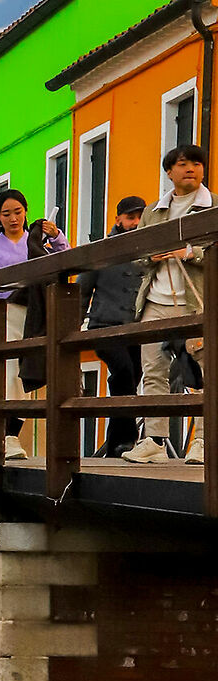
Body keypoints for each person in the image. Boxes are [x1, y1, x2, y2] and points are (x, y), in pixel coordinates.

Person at [123, 144, 212, 466]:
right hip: (155, 300)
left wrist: (190, 253)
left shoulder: (212, 206)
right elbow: (137, 255)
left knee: (204, 372)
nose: (191, 169)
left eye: (196, 164)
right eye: (183, 164)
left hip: (196, 302)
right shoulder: (153, 211)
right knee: (153, 372)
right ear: (169, 171)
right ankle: (154, 441)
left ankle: (202, 441)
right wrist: (151, 256)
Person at [0, 189, 66, 457]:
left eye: (18, 212)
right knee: (11, 373)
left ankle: (12, 434)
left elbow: (64, 259)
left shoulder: (35, 244)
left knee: (29, 371)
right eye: (6, 214)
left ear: (26, 212)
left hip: (34, 312)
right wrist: (0, 293)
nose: (13, 218)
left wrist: (56, 236)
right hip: (6, 313)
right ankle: (9, 436)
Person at [76, 195, 147, 460]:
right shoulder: (101, 250)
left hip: (138, 328)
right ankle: (126, 440)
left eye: (140, 217)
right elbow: (82, 291)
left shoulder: (149, 248)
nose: (136, 223)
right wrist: (74, 331)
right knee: (125, 372)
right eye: (131, 217)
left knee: (131, 376)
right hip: (104, 326)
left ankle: (117, 443)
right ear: (117, 219)